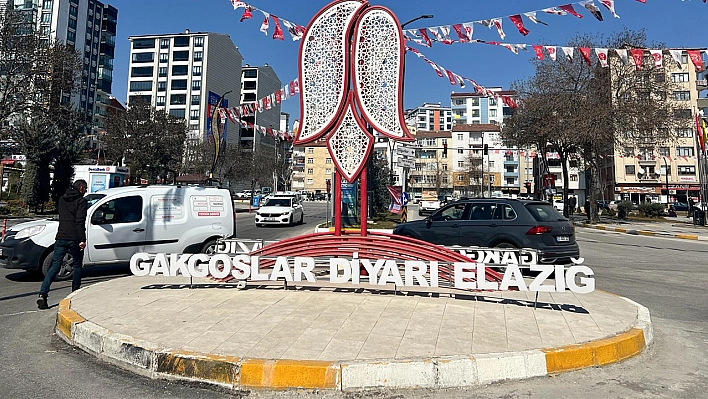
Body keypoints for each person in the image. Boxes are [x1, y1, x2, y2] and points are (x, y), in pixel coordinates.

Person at [37, 180, 88, 310]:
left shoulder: (62, 199)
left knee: (55, 266)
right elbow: (80, 221)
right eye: (85, 188)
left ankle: (43, 293)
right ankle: (75, 294)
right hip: (75, 238)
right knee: (77, 265)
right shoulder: (81, 201)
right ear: (81, 188)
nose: (86, 191)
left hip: (61, 236)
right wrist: (82, 239)